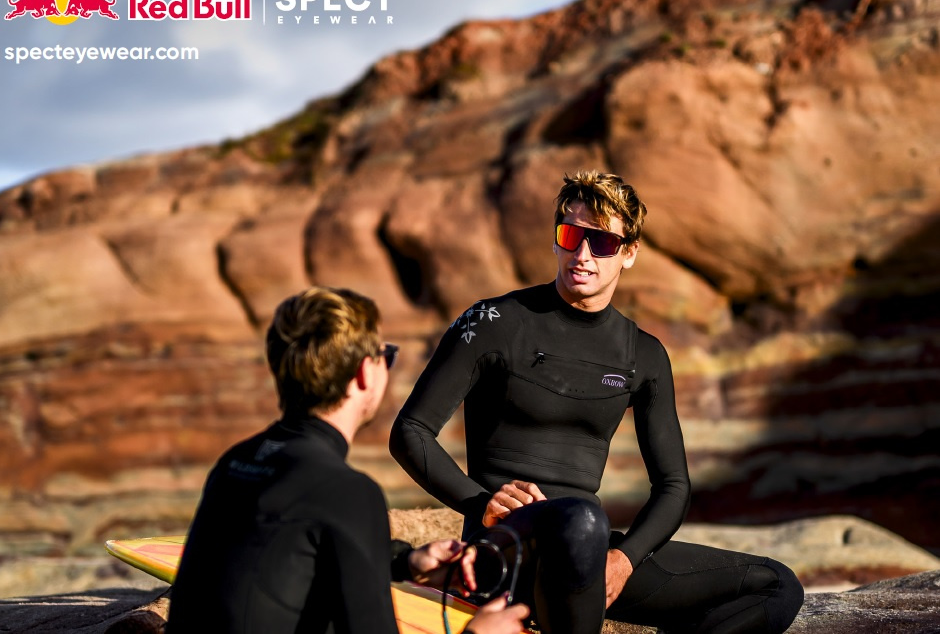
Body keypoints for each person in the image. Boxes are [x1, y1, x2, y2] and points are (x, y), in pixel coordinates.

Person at [390, 171, 805, 634]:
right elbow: (410, 430)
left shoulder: (643, 354)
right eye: (571, 236)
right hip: (507, 550)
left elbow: (673, 486)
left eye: (603, 243)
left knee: (777, 586)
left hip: (590, 552)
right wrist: (481, 503)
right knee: (583, 520)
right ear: (556, 241)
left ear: (629, 253)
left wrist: (624, 559)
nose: (583, 255)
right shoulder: (494, 322)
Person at [167, 286, 528, 634]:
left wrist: (405, 562)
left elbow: (291, 551)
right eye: (385, 356)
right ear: (364, 373)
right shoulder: (346, 492)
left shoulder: (236, 462)